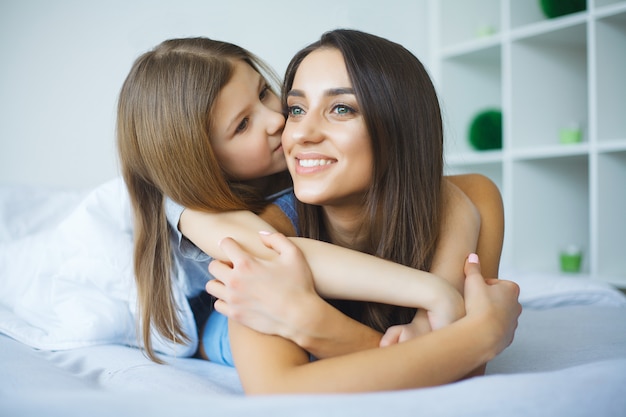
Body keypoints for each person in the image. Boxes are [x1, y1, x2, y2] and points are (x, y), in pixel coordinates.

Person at [116, 36, 484, 364]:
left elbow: (458, 200)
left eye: (263, 93)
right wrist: (431, 291)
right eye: (243, 124)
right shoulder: (188, 205)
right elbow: (279, 253)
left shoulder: (294, 164)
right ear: (202, 160)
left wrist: (428, 318)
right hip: (211, 315)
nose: (276, 121)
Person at [191, 29, 520, 394]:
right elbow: (278, 392)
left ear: (400, 127)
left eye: (341, 109)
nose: (300, 133)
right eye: (297, 109)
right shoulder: (264, 237)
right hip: (213, 327)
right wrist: (486, 333)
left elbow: (462, 368)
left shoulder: (471, 198)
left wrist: (314, 325)